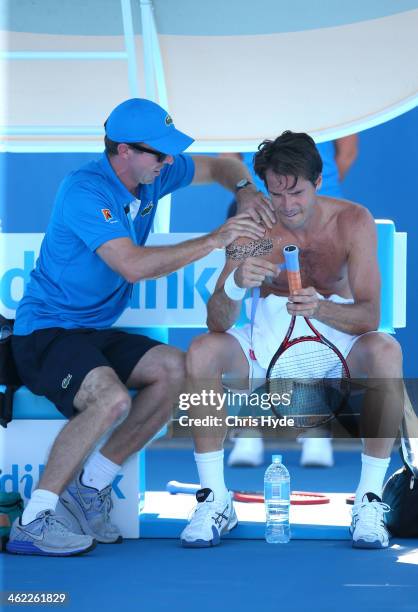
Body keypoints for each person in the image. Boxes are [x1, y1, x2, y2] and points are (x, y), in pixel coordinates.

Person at [6, 98, 275, 557]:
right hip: (45, 332)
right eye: (159, 152)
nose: (169, 161)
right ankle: (34, 520)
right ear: (124, 151)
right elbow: (130, 265)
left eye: (170, 152)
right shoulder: (84, 191)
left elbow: (222, 166)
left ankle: (91, 489)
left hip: (89, 332)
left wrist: (246, 188)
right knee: (109, 399)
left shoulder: (154, 171)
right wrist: (215, 240)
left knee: (178, 369)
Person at [181, 131, 405, 549]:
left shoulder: (352, 221)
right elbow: (216, 322)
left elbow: (371, 315)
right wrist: (232, 286)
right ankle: (214, 499)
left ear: (319, 182)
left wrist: (320, 308)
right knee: (201, 351)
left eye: (297, 192)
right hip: (268, 345)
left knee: (387, 350)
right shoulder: (258, 231)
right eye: (277, 194)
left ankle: (369, 501)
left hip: (337, 344)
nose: (287, 206)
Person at [222, 135, 359, 467]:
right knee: (256, 313)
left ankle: (314, 427)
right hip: (262, 209)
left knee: (319, 323)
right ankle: (249, 427)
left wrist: (303, 197)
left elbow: (347, 150)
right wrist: (266, 195)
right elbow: (228, 154)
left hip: (319, 206)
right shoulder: (242, 90)